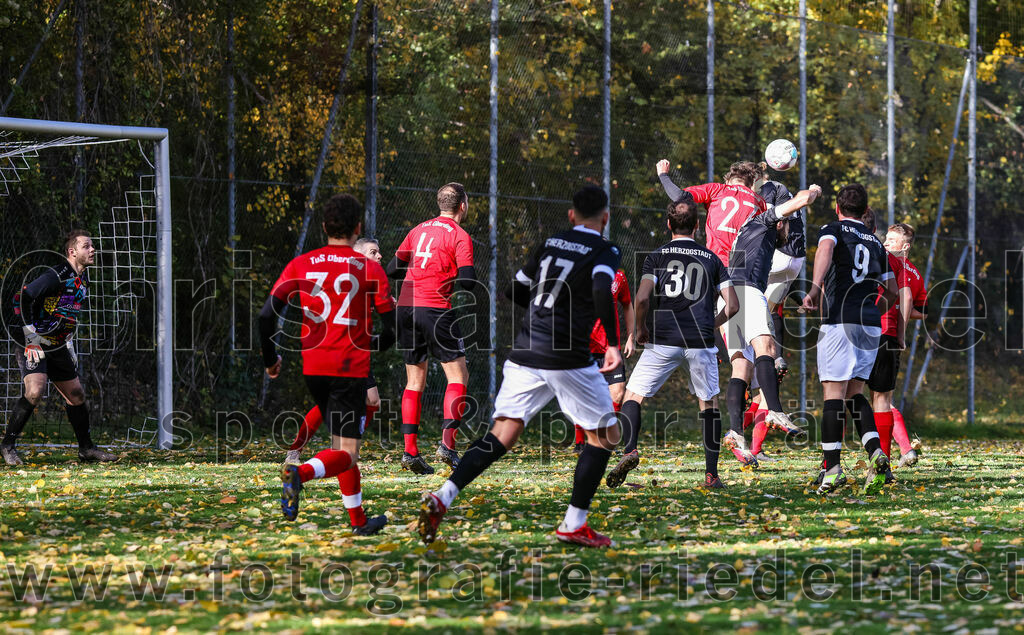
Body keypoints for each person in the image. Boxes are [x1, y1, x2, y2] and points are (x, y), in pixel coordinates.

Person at [417, 185, 622, 548]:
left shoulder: (552, 242)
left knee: (502, 434)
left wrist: (545, 311)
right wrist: (613, 343)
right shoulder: (605, 249)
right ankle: (574, 523)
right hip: (567, 353)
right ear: (604, 219)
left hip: (527, 349)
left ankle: (442, 496)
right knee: (605, 436)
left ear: (571, 216)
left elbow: (514, 290)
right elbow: (602, 287)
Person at [260, 194, 396, 535]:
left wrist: (270, 360)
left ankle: (359, 521)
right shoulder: (371, 268)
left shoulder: (301, 263)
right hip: (348, 370)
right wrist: (373, 343)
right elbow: (393, 328)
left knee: (342, 445)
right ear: (358, 228)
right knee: (347, 454)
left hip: (313, 368)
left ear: (324, 227)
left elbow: (265, 317)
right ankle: (299, 474)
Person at [607, 196, 738, 489]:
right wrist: (710, 325)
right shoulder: (712, 259)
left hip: (663, 337)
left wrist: (640, 329)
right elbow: (732, 306)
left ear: (668, 225)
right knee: (709, 404)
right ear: (697, 227)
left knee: (633, 397)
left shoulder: (657, 255)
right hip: (700, 340)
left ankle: (630, 451)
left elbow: (641, 298)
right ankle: (711, 476)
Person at [801, 184, 898, 495]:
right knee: (855, 394)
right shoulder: (876, 244)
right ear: (865, 210)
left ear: (838, 207)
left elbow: (826, 251)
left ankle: (832, 471)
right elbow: (893, 292)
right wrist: (872, 312)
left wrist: (815, 288)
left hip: (840, 319)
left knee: (833, 395)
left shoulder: (833, 229)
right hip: (869, 324)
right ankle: (877, 453)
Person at [2, 230, 118, 465]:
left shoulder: (83, 278)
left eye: (92, 246)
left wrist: (69, 341)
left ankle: (86, 449)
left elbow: (66, 312)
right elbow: (21, 298)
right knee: (35, 390)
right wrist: (32, 338)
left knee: (76, 395)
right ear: (72, 252)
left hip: (57, 344)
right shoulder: (57, 274)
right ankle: (7, 445)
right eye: (87, 246)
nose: (93, 250)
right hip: (34, 342)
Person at [387, 183, 477, 474]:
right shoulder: (461, 236)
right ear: (462, 205)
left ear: (441, 203)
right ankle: (448, 446)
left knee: (414, 380)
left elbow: (392, 269)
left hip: (405, 307)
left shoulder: (417, 230)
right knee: (458, 376)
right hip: (435, 308)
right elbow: (467, 282)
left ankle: (410, 452)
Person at [284, 237, 387, 465]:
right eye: (373, 252)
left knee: (372, 401)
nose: (379, 256)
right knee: (338, 404)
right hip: (342, 352)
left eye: (379, 252)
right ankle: (305, 451)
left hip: (351, 352)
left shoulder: (365, 278)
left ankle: (344, 448)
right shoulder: (353, 278)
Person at [865, 221, 927, 477]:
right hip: (888, 335)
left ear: (906, 246)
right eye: (885, 239)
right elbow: (921, 311)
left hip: (875, 331)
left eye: (892, 239)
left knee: (857, 395)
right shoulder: (916, 273)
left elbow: (907, 300)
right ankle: (898, 453)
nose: (886, 242)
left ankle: (832, 463)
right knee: (882, 398)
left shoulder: (889, 262)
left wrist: (896, 322)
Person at [572, 268, 635, 454]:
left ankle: (607, 440)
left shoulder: (619, 276)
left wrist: (631, 336)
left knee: (617, 394)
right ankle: (580, 442)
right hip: (584, 347)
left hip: (610, 349)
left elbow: (627, 304)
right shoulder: (577, 273)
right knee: (582, 394)